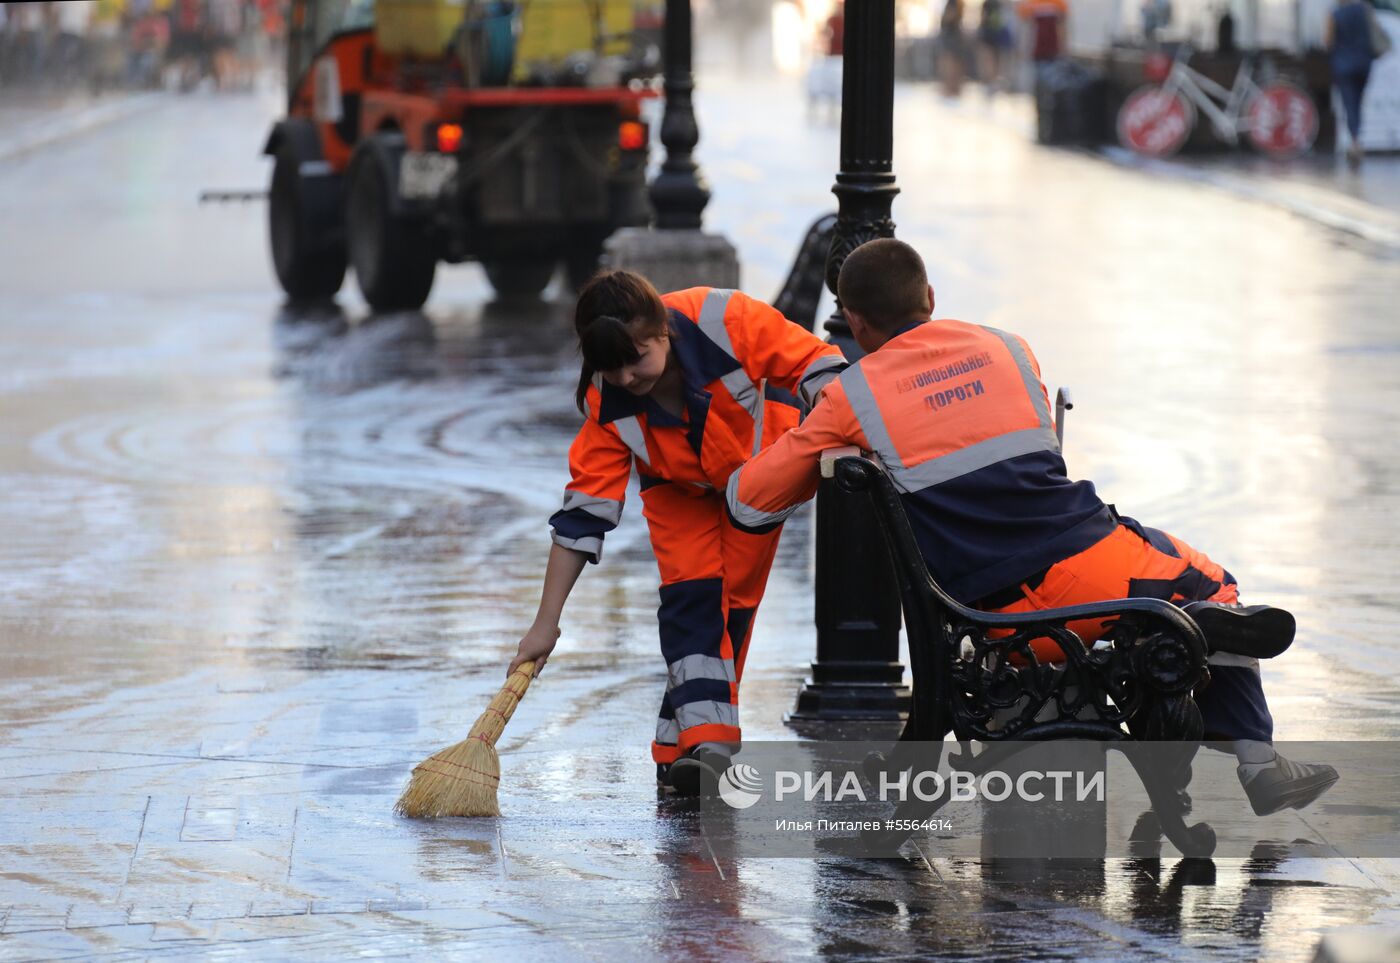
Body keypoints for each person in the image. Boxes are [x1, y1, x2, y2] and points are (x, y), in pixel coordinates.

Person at [725, 239, 1339, 817]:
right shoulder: (1007, 348)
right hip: (1091, 557)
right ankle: (1248, 749)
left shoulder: (853, 397)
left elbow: (749, 502)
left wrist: (815, 418)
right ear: (930, 297)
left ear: (854, 322)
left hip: (1000, 610)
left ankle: (1174, 633)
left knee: (1190, 603)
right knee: (1212, 583)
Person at [507, 271, 847, 796]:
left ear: (662, 331)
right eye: (608, 368)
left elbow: (819, 365)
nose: (624, 378)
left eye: (635, 358)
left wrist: (841, 430)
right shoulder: (607, 404)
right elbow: (581, 517)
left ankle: (693, 748)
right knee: (691, 601)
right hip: (677, 490)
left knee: (730, 599)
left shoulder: (726, 320)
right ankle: (697, 752)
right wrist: (545, 624)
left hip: (763, 470)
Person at [1326, 0, 1389, 166]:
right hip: (1363, 62)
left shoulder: (1335, 14)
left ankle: (1355, 141)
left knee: (1349, 101)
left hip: (1343, 65)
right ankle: (1357, 138)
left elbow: (1328, 41)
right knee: (1358, 100)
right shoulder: (1365, 10)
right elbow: (1374, 32)